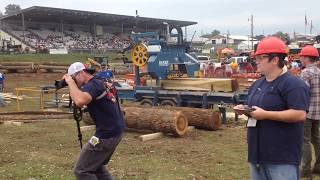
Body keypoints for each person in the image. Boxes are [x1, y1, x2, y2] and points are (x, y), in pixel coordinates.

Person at [234, 37, 310, 180]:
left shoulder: (294, 84)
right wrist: (245, 109)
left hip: (281, 158)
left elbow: (299, 114)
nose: (256, 61)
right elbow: (255, 109)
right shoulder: (257, 84)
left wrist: (266, 115)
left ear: (275, 60)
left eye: (261, 57)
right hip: (257, 156)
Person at [63, 62, 125, 180]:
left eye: (75, 79)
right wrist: (72, 84)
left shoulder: (93, 85)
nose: (75, 83)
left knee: (81, 170)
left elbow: (80, 101)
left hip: (106, 134)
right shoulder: (101, 80)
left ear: (81, 73)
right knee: (97, 166)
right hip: (116, 131)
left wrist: (70, 82)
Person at [299, 45, 320, 179]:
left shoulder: (306, 72)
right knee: (316, 139)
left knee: (304, 141)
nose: (300, 58)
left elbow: (303, 93)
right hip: (318, 111)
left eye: (301, 56)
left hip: (307, 111)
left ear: (306, 57)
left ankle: (306, 172)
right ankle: (318, 166)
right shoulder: (318, 71)